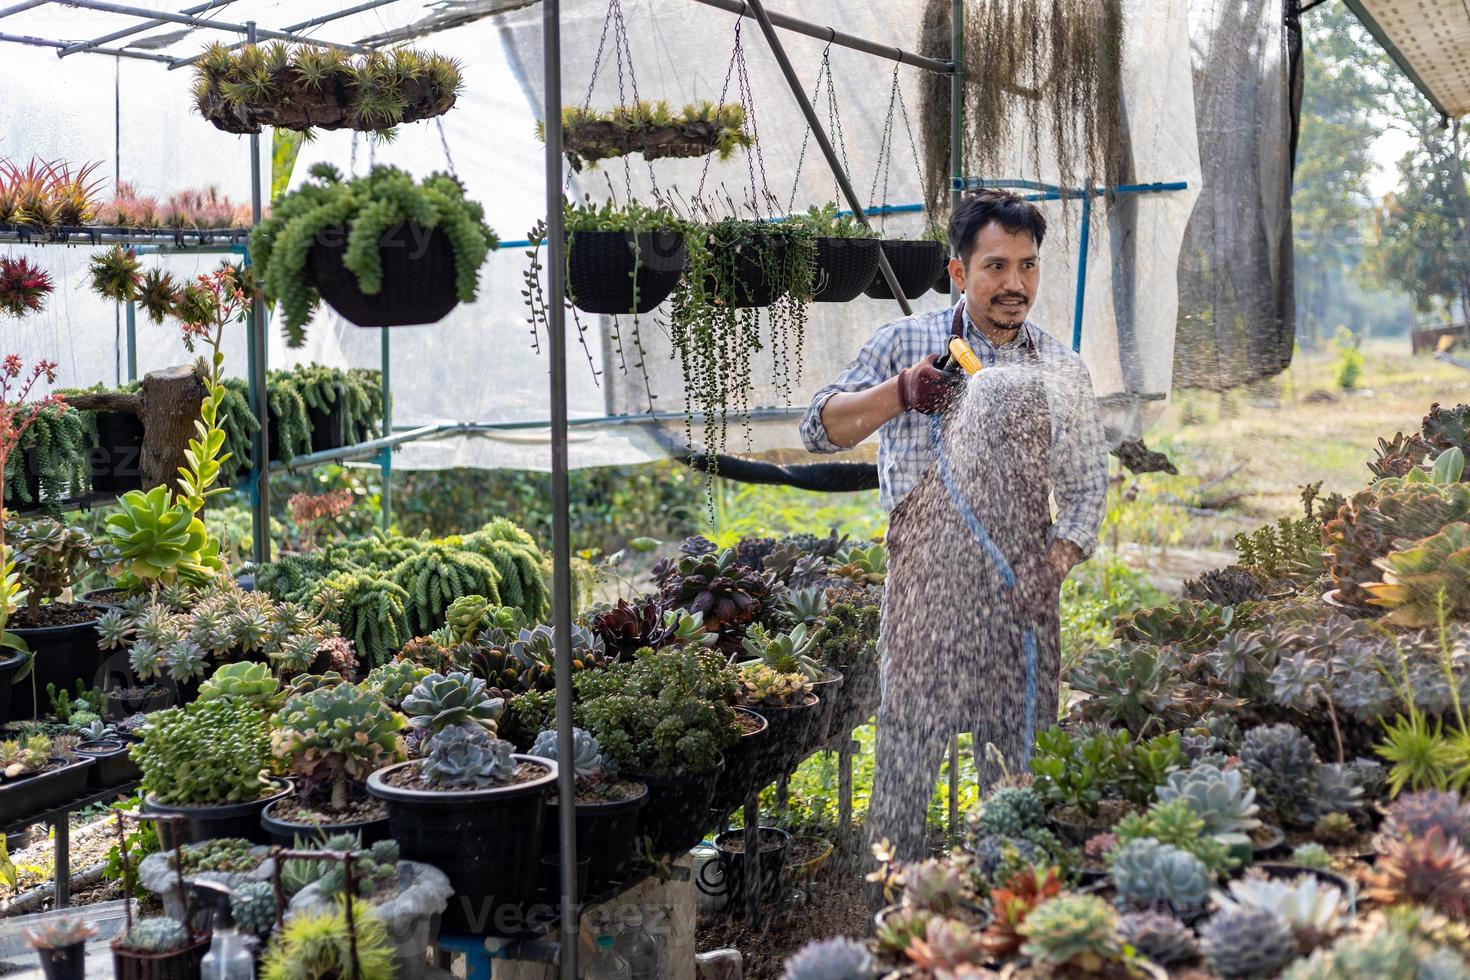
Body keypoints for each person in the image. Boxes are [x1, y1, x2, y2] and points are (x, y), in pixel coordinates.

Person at [798, 189, 1108, 862]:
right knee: (907, 768)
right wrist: (902, 393)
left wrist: (1050, 569)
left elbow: (1086, 491)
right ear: (959, 272)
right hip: (926, 598)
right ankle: (895, 910)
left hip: (1020, 603)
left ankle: (1004, 910)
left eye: (1027, 266)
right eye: (996, 266)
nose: (1015, 284)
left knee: (1018, 780)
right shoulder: (906, 343)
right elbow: (818, 429)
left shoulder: (1060, 367)